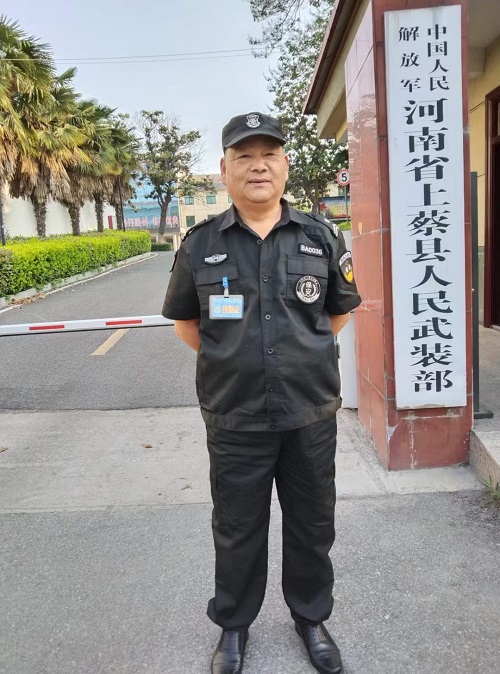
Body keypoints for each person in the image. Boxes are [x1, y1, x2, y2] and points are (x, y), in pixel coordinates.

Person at [162, 112, 362, 674]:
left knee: (312, 523)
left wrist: (297, 357)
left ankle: (311, 619)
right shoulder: (201, 244)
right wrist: (237, 361)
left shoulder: (321, 237)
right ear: (225, 169)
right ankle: (233, 626)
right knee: (237, 528)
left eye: (269, 154)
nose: (258, 166)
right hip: (235, 415)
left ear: (285, 165)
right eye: (244, 156)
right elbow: (188, 325)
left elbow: (337, 315)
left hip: (309, 413)